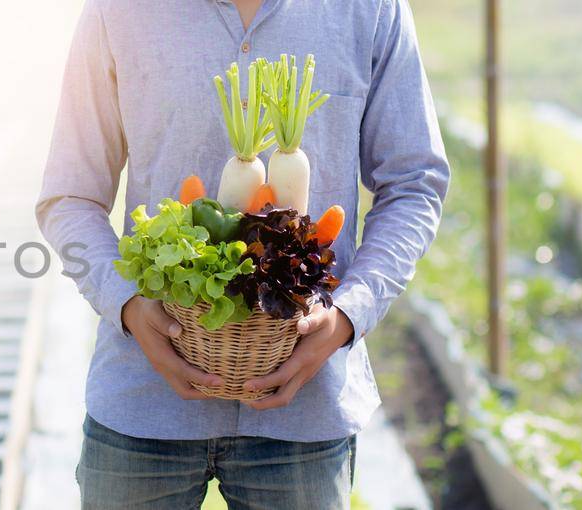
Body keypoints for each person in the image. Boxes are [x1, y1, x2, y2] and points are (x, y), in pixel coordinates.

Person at [35, 0, 449, 508]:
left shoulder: (370, 10)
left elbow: (414, 185)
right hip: (143, 401)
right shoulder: (118, 11)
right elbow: (69, 196)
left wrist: (349, 313)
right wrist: (125, 302)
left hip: (305, 411)